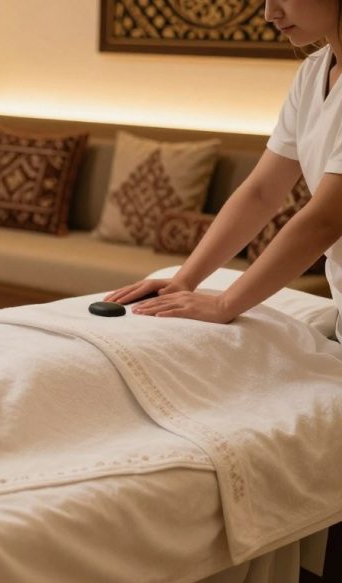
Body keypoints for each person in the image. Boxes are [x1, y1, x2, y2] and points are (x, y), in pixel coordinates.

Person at [106, 0, 342, 337]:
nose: (269, 13)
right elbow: (261, 192)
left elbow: (326, 220)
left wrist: (224, 304)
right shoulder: (312, 73)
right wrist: (184, 280)